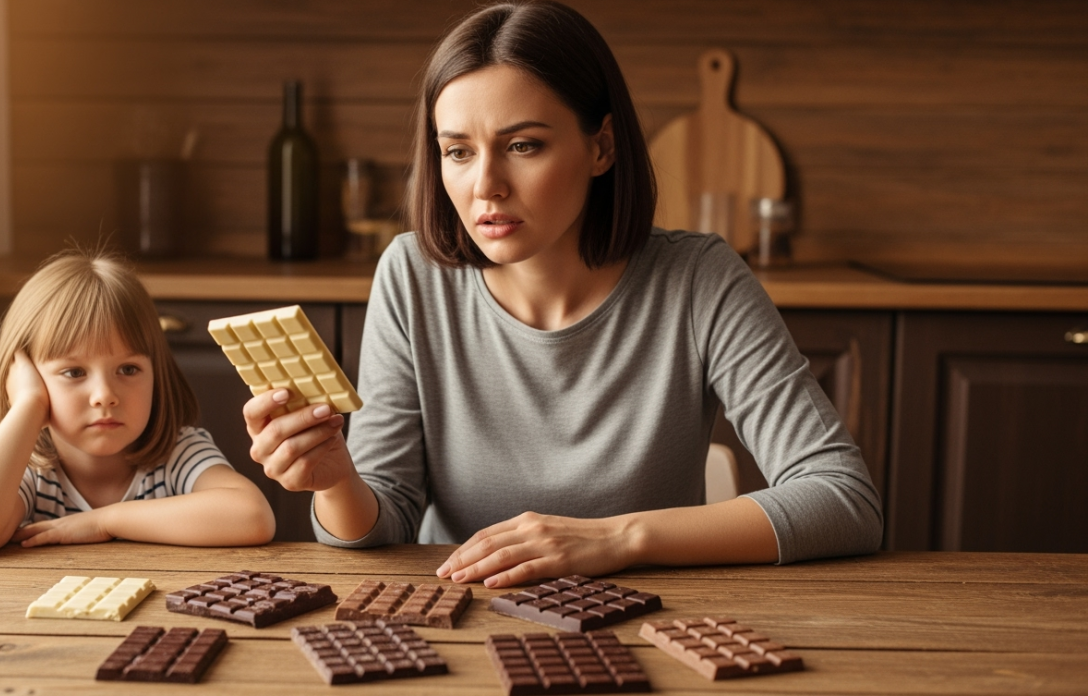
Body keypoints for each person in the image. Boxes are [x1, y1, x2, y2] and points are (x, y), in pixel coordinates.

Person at [244, 1, 882, 587]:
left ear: (601, 146)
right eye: (457, 152)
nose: (485, 186)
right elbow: (387, 523)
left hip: (646, 624)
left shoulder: (699, 280)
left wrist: (618, 538)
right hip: (460, 622)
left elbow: (842, 497)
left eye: (523, 146)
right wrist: (335, 482)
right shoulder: (412, 275)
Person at [0, 250, 276, 556]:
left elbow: (252, 516)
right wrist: (27, 405)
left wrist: (105, 522)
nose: (105, 395)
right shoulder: (31, 471)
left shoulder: (178, 453)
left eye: (128, 369)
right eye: (74, 372)